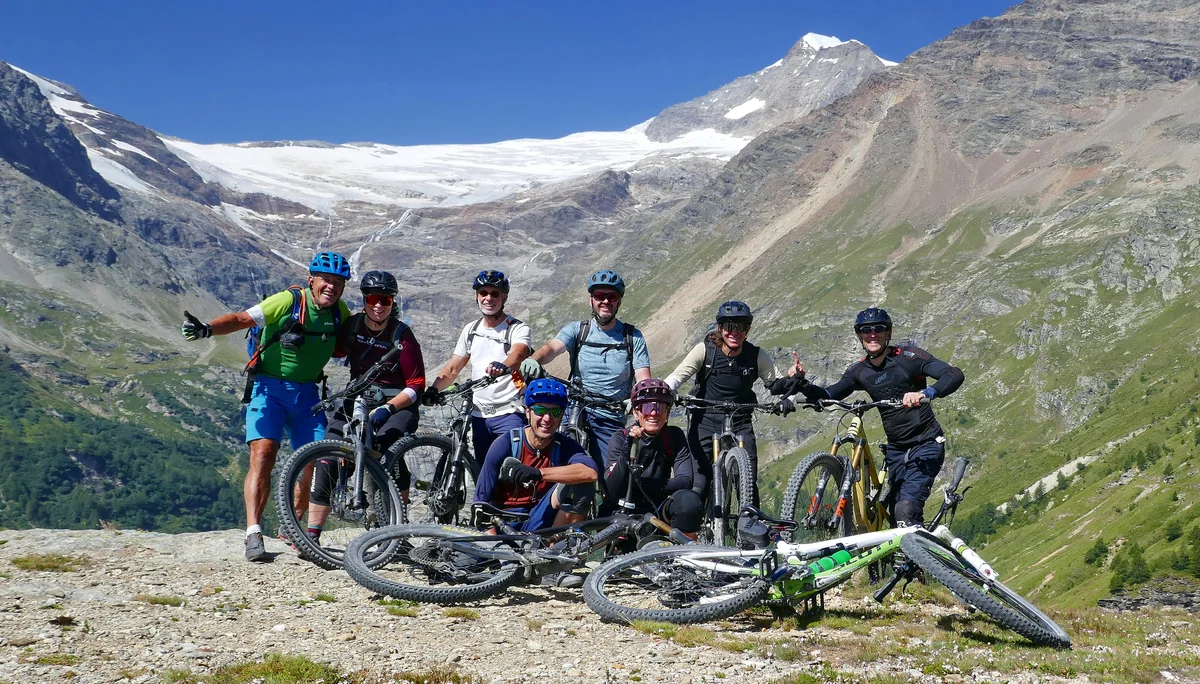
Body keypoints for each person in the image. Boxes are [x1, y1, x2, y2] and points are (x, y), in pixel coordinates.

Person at [180, 251, 352, 561]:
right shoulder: (288, 301)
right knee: (263, 454)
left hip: (307, 394)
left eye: (338, 283)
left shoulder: (340, 311)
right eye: (326, 280)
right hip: (268, 388)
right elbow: (242, 318)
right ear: (312, 280)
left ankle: (293, 530)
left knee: (312, 460)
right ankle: (253, 532)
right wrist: (207, 329)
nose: (331, 287)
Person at [783, 307, 965, 528]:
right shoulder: (859, 371)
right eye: (865, 330)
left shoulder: (909, 358)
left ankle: (919, 557)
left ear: (888, 333)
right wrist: (803, 383)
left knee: (904, 510)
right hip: (896, 450)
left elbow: (953, 374)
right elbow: (828, 395)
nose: (872, 334)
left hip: (926, 445)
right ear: (859, 336)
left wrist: (925, 393)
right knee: (894, 511)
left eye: (878, 329)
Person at [305, 270, 426, 545]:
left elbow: (416, 385)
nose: (379, 305)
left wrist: (389, 409)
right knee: (329, 451)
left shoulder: (402, 336)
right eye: (374, 298)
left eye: (386, 300)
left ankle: (396, 531)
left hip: (396, 403)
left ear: (392, 303)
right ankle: (311, 535)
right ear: (365, 299)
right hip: (358, 396)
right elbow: (331, 347)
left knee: (387, 451)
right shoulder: (354, 326)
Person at [663, 301, 796, 507]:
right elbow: (677, 376)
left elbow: (776, 384)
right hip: (705, 421)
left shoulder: (756, 355)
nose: (735, 332)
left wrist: (789, 395)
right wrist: (668, 391)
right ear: (720, 328)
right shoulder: (705, 351)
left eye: (741, 326)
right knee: (698, 485)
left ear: (748, 329)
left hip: (741, 422)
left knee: (748, 485)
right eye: (729, 326)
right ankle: (694, 531)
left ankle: (750, 527)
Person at [472, 378, 599, 587]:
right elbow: (480, 504)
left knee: (580, 484)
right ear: (528, 412)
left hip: (541, 528)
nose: (547, 418)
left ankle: (550, 564)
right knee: (454, 567)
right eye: (540, 410)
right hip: (504, 529)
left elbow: (590, 473)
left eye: (555, 412)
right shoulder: (505, 444)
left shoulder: (565, 446)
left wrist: (538, 473)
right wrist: (499, 554)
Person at [520, 270, 650, 469]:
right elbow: (552, 349)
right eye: (599, 296)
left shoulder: (633, 337)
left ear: (619, 302)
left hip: (610, 416)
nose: (605, 301)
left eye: (611, 297)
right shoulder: (578, 330)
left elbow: (643, 379)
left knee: (613, 477)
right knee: (549, 461)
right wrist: (534, 359)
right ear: (591, 300)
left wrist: (635, 401)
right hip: (576, 409)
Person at [424, 270, 531, 469]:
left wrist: (504, 366)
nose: (488, 298)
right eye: (483, 293)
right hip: (480, 416)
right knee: (484, 469)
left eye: (495, 293)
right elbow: (454, 367)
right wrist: (434, 389)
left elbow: (519, 353)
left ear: (504, 297)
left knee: (511, 470)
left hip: (510, 412)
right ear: (477, 296)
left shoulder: (516, 328)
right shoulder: (471, 330)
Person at [603, 379, 702, 536]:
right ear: (636, 412)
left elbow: (685, 480)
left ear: (668, 413)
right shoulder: (621, 438)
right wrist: (627, 450)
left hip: (659, 509)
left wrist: (639, 485)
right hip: (623, 510)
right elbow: (613, 489)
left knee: (688, 502)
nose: (654, 413)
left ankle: (683, 556)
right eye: (647, 407)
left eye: (660, 407)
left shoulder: (674, 436)